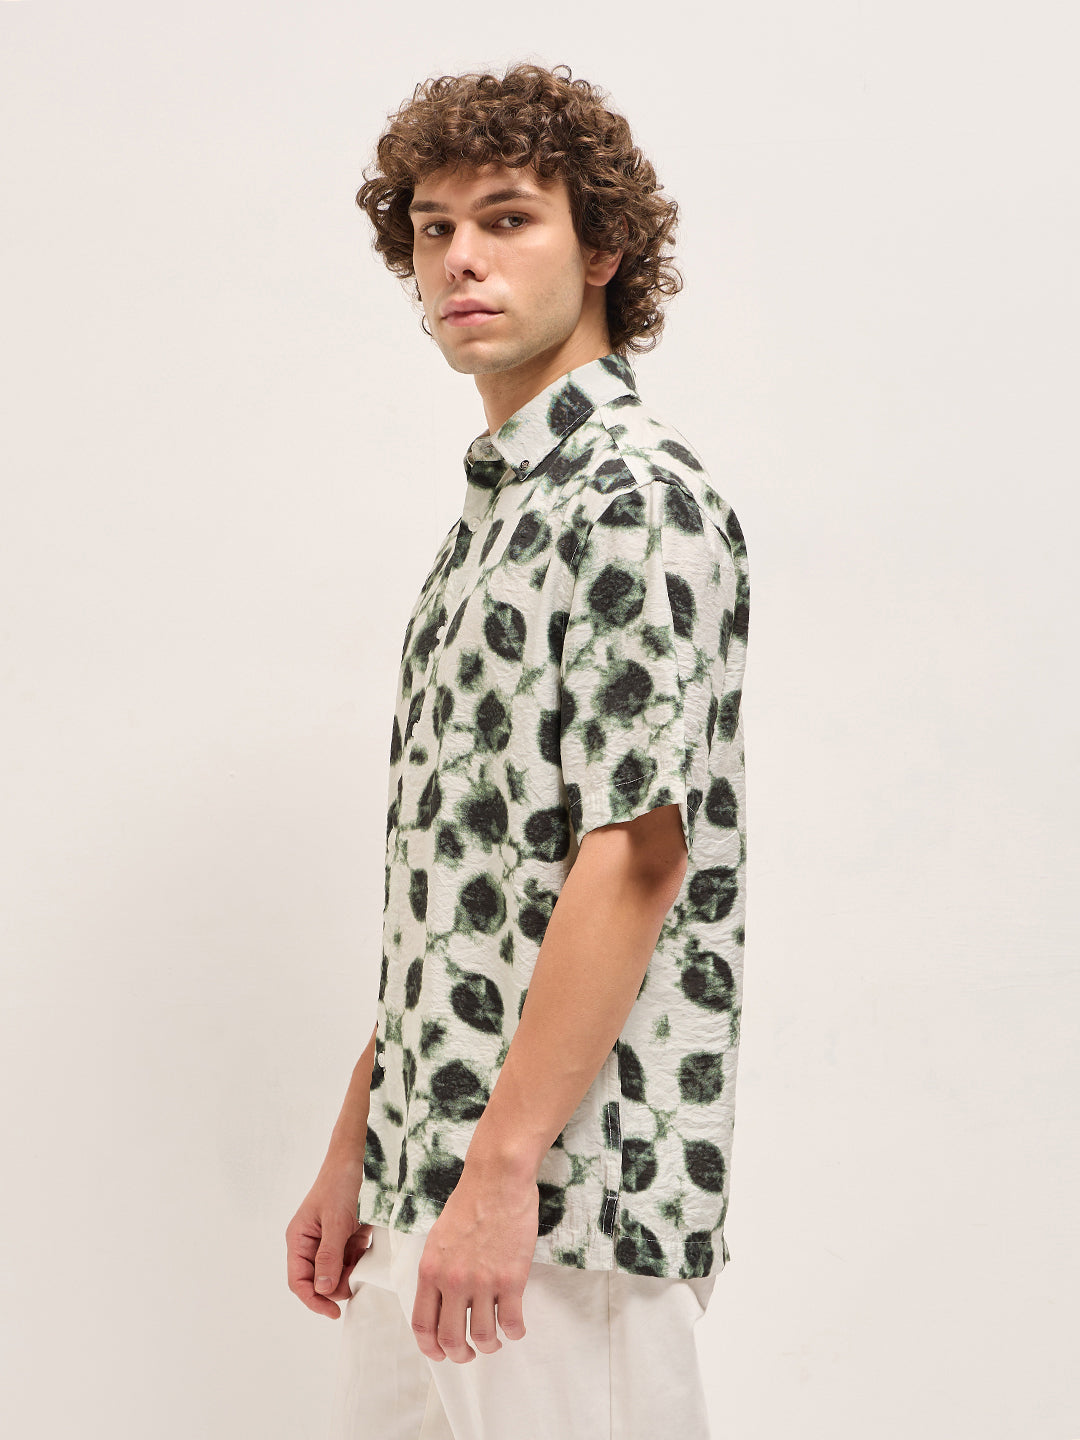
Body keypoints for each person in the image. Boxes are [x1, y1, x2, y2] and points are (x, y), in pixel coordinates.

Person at [285, 60, 750, 1440]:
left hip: (564, 1205)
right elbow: (463, 890)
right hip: (427, 1188)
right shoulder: (494, 521)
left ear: (603, 248)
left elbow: (637, 858)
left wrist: (501, 1172)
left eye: (506, 219)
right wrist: (358, 1151)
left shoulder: (633, 500)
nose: (461, 259)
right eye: (434, 229)